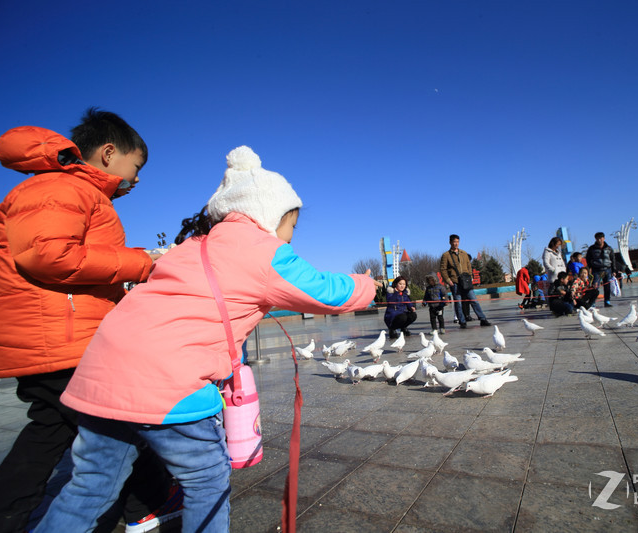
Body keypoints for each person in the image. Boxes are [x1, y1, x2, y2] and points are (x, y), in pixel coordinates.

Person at [33, 146, 380, 532]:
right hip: (166, 381)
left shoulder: (191, 246)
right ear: (270, 215)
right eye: (292, 226)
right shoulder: (264, 252)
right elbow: (326, 293)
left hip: (101, 375)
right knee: (206, 480)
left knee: (90, 485)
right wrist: (369, 285)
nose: (290, 237)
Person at [0, 110, 177, 533]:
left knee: (51, 431)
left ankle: (6, 515)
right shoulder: (64, 188)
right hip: (64, 339)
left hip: (55, 337)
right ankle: (141, 507)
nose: (136, 179)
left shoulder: (66, 190)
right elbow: (47, 255)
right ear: (109, 153)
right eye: (135, 167)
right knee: (125, 428)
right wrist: (141, 263)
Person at [439, 234, 491, 328]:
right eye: (454, 242)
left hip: (466, 282)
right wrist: (448, 280)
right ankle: (462, 321)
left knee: (474, 300)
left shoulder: (464, 253)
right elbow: (443, 269)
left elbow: (469, 266)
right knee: (458, 302)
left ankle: (482, 319)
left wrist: (470, 276)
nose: (456, 244)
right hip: (455, 282)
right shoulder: (446, 255)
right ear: (450, 242)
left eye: (457, 241)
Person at [585, 232, 615, 307]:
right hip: (596, 270)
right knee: (595, 286)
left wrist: (614, 270)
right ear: (595, 239)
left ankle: (607, 301)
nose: (599, 240)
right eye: (597, 238)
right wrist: (590, 267)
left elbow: (613, 259)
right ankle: (593, 302)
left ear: (604, 238)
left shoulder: (609, 248)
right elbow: (588, 258)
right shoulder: (592, 248)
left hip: (607, 269)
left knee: (607, 286)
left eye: (601, 238)